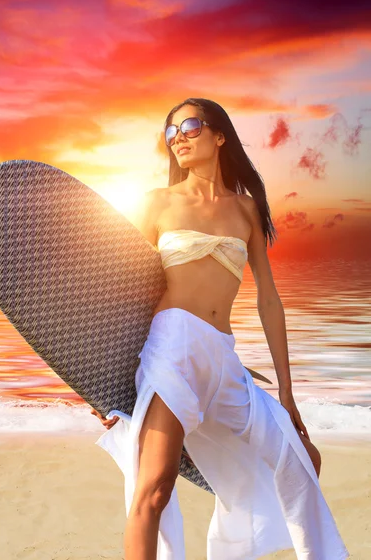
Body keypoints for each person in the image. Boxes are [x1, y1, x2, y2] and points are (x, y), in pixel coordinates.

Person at [91, 98, 349, 559]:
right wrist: (102, 386)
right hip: (173, 345)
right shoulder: (156, 204)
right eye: (170, 133)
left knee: (304, 460)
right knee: (155, 488)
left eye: (189, 126)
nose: (179, 138)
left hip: (222, 356)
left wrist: (287, 393)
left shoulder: (246, 209)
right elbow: (116, 292)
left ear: (220, 135)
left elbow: (268, 299)